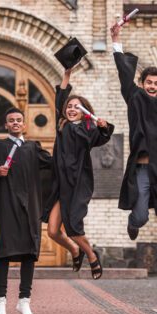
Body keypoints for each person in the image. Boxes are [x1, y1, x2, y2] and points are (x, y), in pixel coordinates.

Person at [42, 68, 114, 281]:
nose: (72, 109)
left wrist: (103, 127)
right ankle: (75, 250)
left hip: (78, 184)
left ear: (84, 112)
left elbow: (104, 135)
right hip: (60, 185)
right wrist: (66, 76)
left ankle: (92, 256)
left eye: (77, 107)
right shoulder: (61, 125)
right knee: (53, 231)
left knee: (73, 226)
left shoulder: (88, 129)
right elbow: (61, 97)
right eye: (69, 107)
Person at [0, 107, 52, 314]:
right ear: (5, 125)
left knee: (29, 254)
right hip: (7, 206)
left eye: (18, 120)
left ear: (24, 124)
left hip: (30, 207)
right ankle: (0, 301)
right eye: (11, 120)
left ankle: (24, 301)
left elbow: (55, 166)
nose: (15, 123)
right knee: (4, 253)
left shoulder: (33, 147)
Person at [110, 23, 157, 240]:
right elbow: (124, 73)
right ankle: (134, 222)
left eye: (156, 83)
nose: (153, 86)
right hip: (143, 167)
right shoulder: (135, 98)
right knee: (140, 216)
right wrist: (116, 39)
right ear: (142, 83)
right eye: (149, 82)